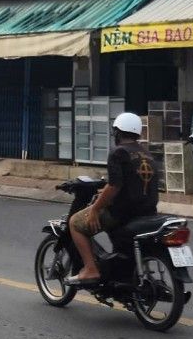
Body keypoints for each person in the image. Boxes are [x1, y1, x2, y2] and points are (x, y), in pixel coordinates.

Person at [66, 111, 159, 288]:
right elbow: (131, 183)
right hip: (147, 212)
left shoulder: (118, 152)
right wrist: (104, 192)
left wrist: (95, 209)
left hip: (121, 213)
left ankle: (90, 269)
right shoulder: (147, 154)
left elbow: (114, 186)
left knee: (75, 223)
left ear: (117, 132)